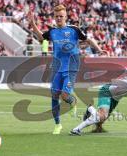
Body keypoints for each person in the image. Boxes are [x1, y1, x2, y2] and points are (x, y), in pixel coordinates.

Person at [28, 4, 107, 134]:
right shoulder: (52, 32)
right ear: (54, 17)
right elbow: (41, 38)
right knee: (54, 95)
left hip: (71, 67)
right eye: (57, 16)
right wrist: (32, 24)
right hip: (57, 67)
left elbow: (88, 39)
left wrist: (98, 49)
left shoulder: (73, 30)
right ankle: (57, 124)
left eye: (61, 16)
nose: (59, 18)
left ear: (66, 17)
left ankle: (72, 101)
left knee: (64, 95)